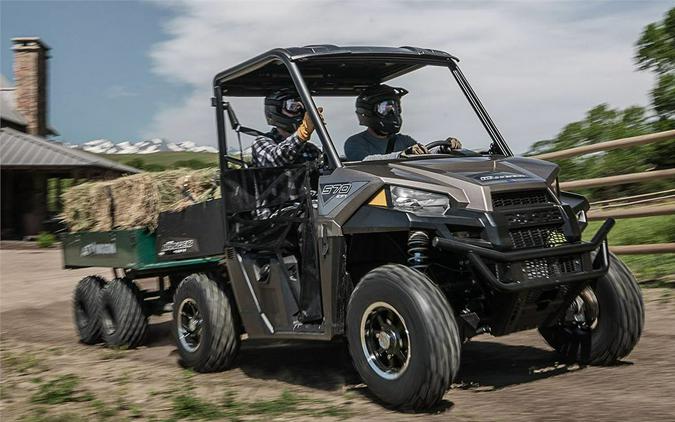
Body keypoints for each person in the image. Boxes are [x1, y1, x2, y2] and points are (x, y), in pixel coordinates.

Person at [344, 84, 462, 161]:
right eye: (385, 109)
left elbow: (423, 152)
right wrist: (402, 155)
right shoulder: (354, 143)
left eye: (395, 108)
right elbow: (365, 161)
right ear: (368, 112)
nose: (392, 113)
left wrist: (443, 147)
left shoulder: (404, 140)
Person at [252, 89, 323, 168]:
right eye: (292, 107)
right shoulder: (261, 142)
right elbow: (274, 160)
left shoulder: (311, 149)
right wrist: (301, 135)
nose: (299, 111)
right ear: (275, 109)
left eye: (301, 107)